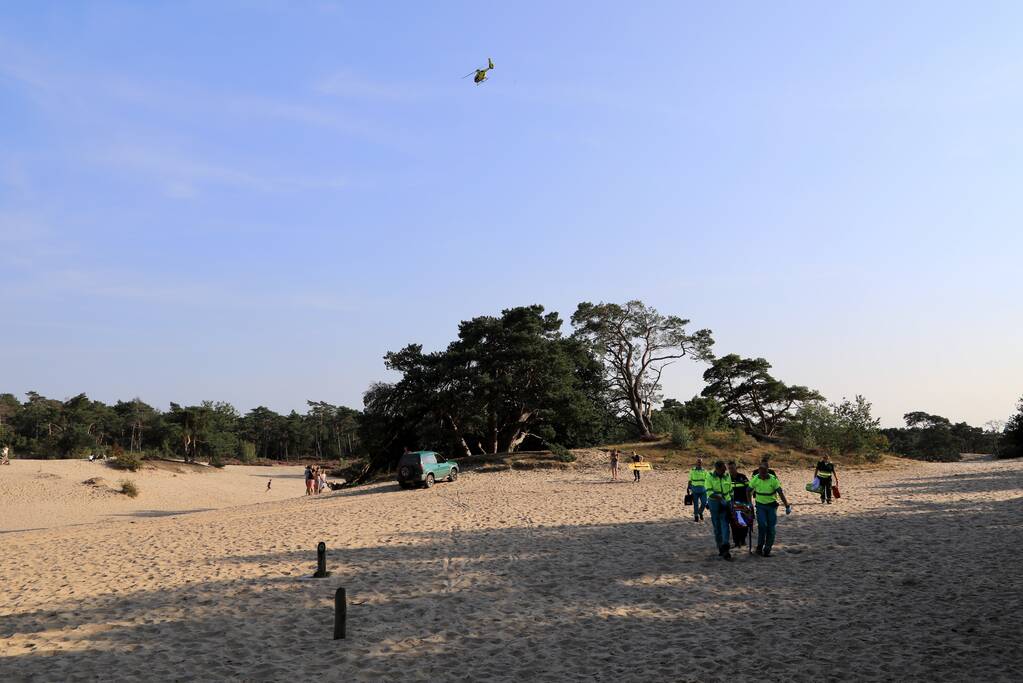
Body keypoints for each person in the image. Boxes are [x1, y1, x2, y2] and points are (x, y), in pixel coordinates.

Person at [749, 462, 791, 557]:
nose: (762, 475)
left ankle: (767, 548)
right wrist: (749, 504)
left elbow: (780, 493)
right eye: (760, 473)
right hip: (760, 506)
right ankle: (759, 547)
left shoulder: (773, 480)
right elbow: (748, 490)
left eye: (764, 473)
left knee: (771, 528)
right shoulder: (756, 478)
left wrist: (787, 505)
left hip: (771, 506)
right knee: (762, 525)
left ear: (767, 471)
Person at [706, 460, 734, 560]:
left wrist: (731, 502)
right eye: (723, 469)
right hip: (714, 504)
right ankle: (720, 548)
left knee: (725, 524)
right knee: (717, 527)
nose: (725, 470)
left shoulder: (727, 476)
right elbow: (709, 492)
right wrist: (720, 499)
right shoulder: (709, 477)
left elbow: (730, 490)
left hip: (726, 503)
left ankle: (725, 546)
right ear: (717, 469)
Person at [727, 461, 752, 549]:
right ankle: (736, 542)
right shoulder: (727, 478)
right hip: (732, 504)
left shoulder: (742, 477)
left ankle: (743, 540)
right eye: (729, 468)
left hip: (743, 504)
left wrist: (749, 502)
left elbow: (749, 489)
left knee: (743, 523)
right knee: (734, 524)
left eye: (732, 468)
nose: (731, 470)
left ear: (736, 468)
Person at [687, 458, 709, 522]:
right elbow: (690, 480)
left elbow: (708, 480)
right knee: (696, 504)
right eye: (698, 462)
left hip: (703, 490)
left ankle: (700, 512)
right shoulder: (692, 470)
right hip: (694, 490)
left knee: (704, 503)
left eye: (700, 462)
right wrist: (688, 487)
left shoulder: (705, 471)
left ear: (702, 463)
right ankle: (696, 516)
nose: (699, 463)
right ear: (696, 463)